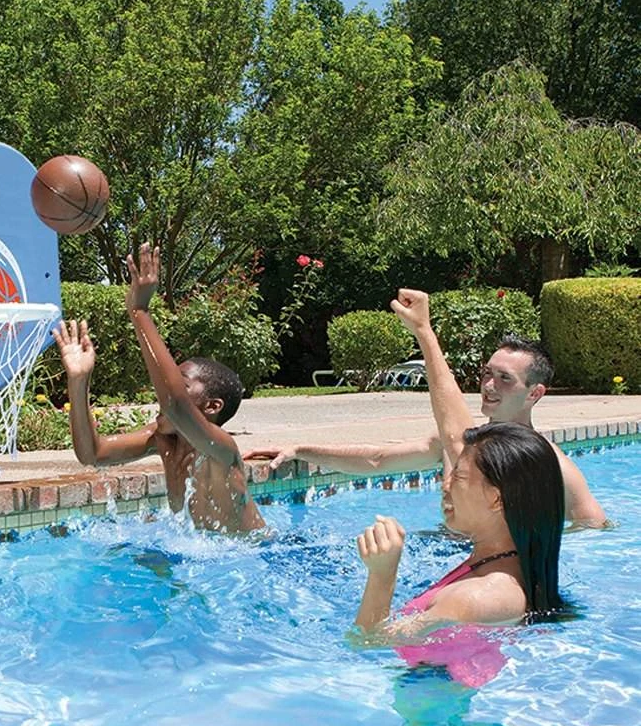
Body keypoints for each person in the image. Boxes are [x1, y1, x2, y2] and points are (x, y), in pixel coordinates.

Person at [247, 291, 606, 527]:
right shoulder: (459, 443)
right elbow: (378, 461)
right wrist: (301, 449)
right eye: (487, 374)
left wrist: (527, 551)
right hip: (447, 553)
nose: (488, 385)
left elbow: (594, 526)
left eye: (504, 379)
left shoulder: (549, 462)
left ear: (535, 393)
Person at [52, 243, 265, 534]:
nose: (163, 390)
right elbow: (93, 454)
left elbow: (176, 405)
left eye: (180, 382)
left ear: (212, 406)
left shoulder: (222, 450)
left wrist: (140, 311)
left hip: (255, 552)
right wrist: (79, 382)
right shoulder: (163, 440)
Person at [354, 420, 566, 686]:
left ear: (496, 499)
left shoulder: (475, 596)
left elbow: (368, 643)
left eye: (459, 476)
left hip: (428, 698)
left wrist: (382, 574)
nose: (445, 484)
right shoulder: (505, 569)